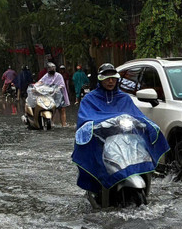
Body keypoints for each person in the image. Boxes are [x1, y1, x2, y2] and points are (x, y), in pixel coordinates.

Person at [72, 63, 168, 196]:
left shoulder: (124, 98)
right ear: (100, 79)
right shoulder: (90, 99)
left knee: (141, 146)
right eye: (107, 78)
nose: (110, 81)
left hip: (124, 139)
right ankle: (98, 189)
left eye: (113, 78)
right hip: (101, 140)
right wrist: (93, 126)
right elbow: (85, 119)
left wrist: (149, 125)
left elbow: (137, 116)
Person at [34, 61, 70, 126]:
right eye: (50, 69)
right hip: (50, 96)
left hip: (59, 95)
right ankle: (51, 123)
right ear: (47, 69)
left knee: (62, 110)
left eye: (53, 68)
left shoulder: (59, 76)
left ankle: (64, 124)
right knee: (51, 109)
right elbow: (41, 82)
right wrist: (35, 86)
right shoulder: (46, 76)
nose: (52, 70)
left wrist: (57, 88)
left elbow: (62, 85)